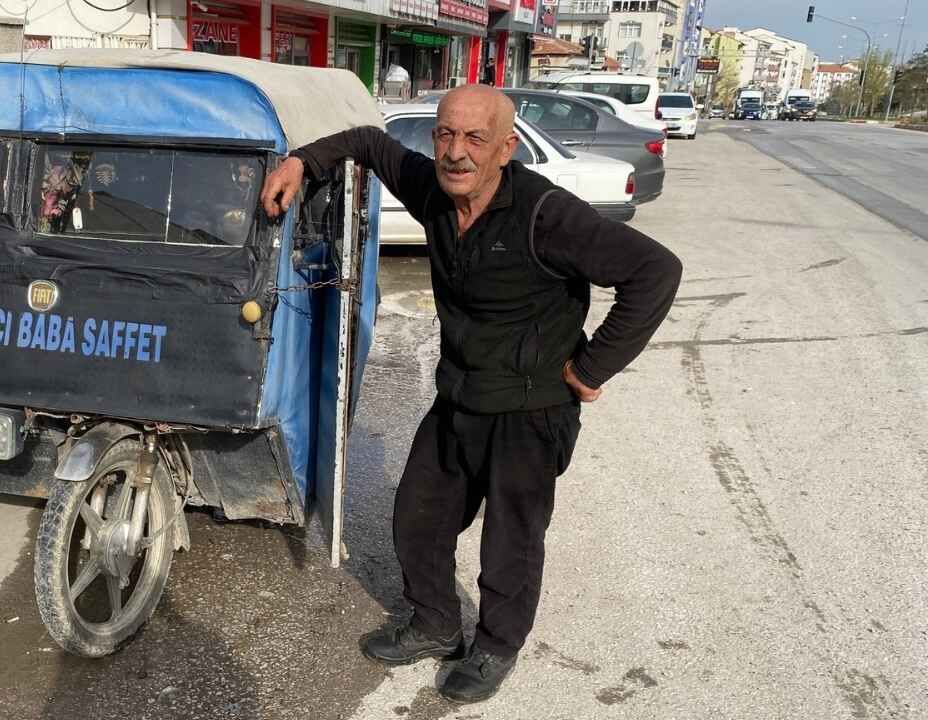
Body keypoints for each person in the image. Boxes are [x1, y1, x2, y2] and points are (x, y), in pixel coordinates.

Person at [260, 85, 682, 704]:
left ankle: (495, 645)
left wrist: (592, 368)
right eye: (446, 135)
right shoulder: (433, 190)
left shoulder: (546, 214)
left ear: (506, 147)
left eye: (475, 139)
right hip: (459, 393)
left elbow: (655, 271)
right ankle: (434, 623)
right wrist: (303, 161)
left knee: (510, 540)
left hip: (530, 410)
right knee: (418, 517)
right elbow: (368, 143)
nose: (456, 153)